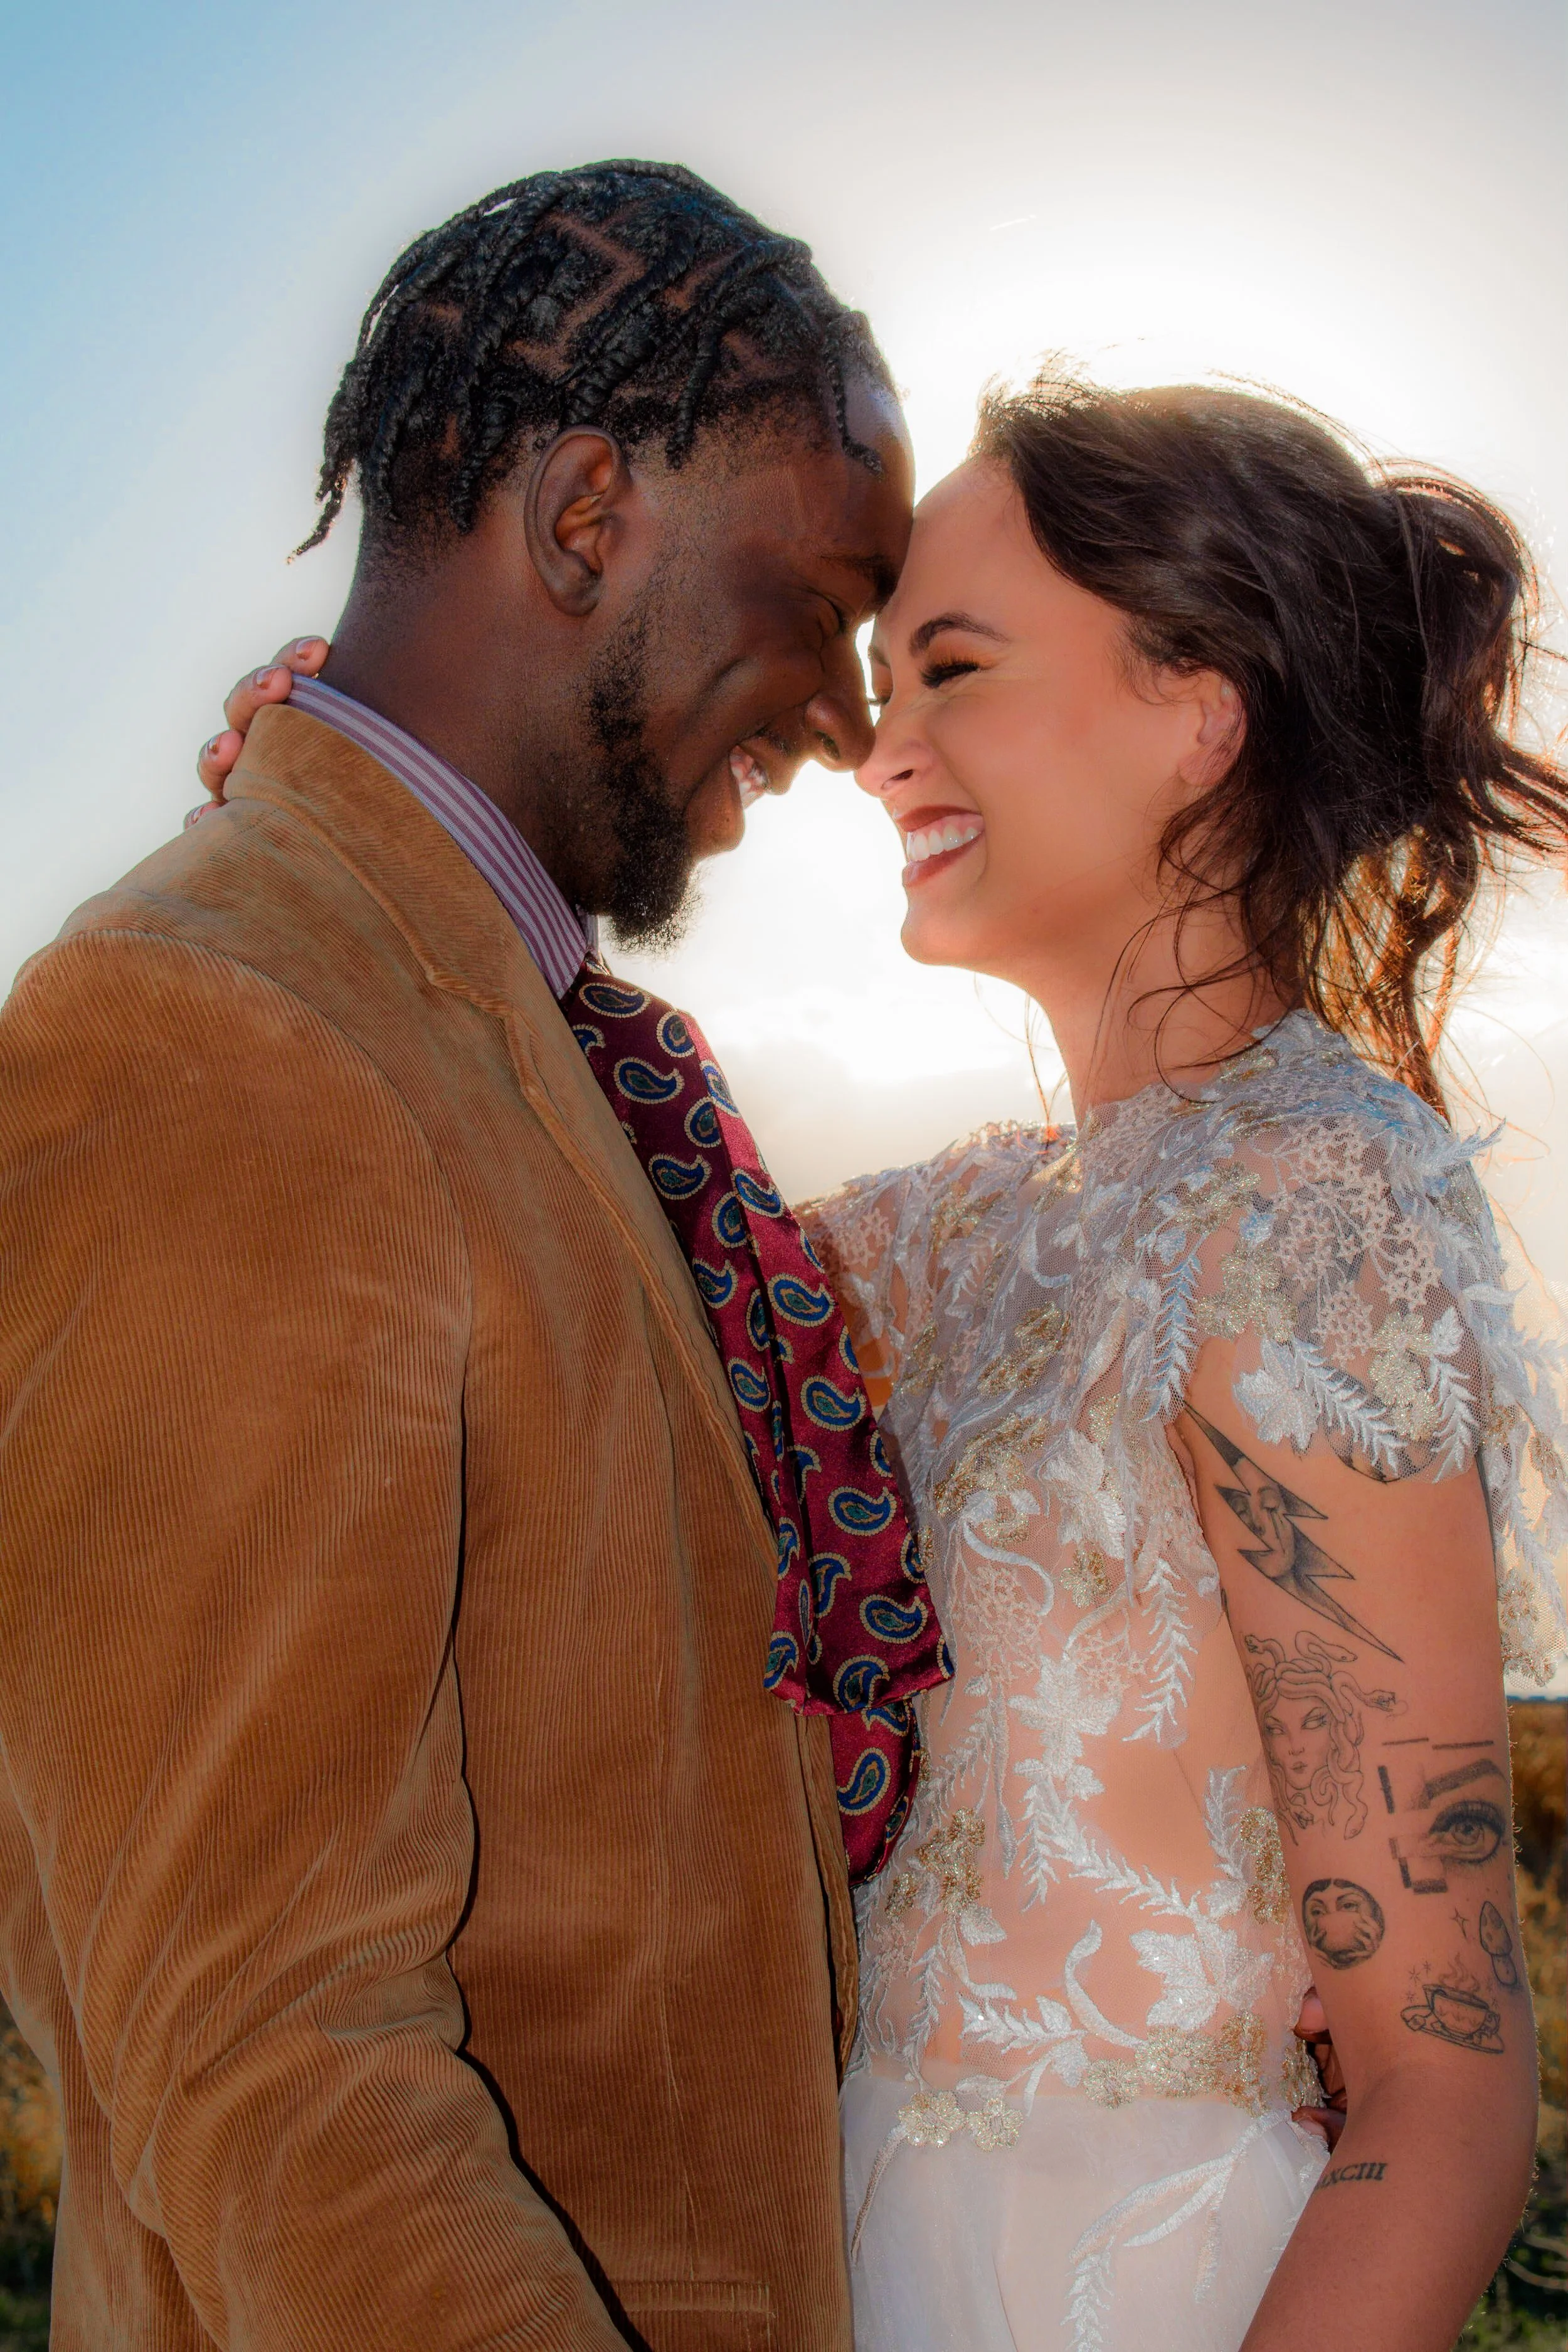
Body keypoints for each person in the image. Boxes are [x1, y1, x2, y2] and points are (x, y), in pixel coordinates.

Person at [0, 161, 946, 2351]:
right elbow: (266, 2049)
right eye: (822, 601)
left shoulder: (514, 1034)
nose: (844, 711)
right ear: (588, 511)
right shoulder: (211, 1031)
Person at [791, 370, 1568, 2351]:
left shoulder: (1313, 1200)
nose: (882, 751)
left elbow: (1444, 2089)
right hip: (836, 2256)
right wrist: (355, 791)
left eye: (951, 668)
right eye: (881, 685)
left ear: (1196, 704)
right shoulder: (935, 1234)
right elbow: (547, 1185)